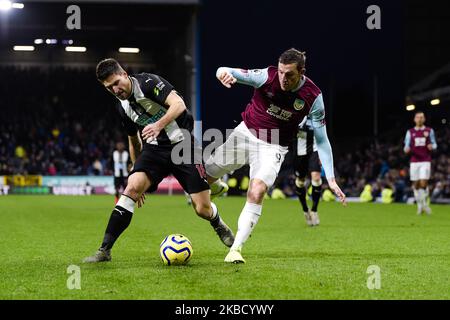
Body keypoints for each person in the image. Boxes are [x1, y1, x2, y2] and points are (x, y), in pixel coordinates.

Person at [83, 58, 234, 263]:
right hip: (155, 151)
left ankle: (218, 222)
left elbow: (179, 104)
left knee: (202, 209)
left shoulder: (148, 83)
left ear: (125, 75)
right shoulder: (122, 107)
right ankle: (104, 250)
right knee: (132, 189)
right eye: (109, 88)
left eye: (117, 83)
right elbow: (133, 140)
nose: (115, 90)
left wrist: (159, 125)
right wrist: (135, 170)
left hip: (183, 146)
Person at [205, 48, 347, 263]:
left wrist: (331, 178)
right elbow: (224, 69)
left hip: (273, 147)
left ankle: (236, 248)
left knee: (257, 190)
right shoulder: (265, 76)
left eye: (289, 74)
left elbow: (322, 140)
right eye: (281, 72)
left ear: (302, 72)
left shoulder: (313, 96)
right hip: (245, 134)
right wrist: (221, 74)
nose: (283, 78)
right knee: (203, 179)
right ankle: (216, 187)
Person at [404, 111, 437, 215]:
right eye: (418, 117)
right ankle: (421, 205)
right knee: (416, 185)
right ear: (414, 119)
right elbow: (406, 144)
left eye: (421, 117)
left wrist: (433, 147)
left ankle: (424, 205)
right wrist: (406, 149)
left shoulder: (429, 131)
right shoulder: (410, 132)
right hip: (414, 161)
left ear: (424, 119)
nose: (419, 119)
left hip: (425, 160)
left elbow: (434, 143)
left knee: (423, 183)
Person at [294, 118, 323, 226]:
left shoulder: (317, 109)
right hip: (299, 150)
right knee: (300, 181)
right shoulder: (297, 107)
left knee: (316, 177)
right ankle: (305, 210)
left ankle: (314, 210)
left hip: (314, 149)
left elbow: (322, 129)